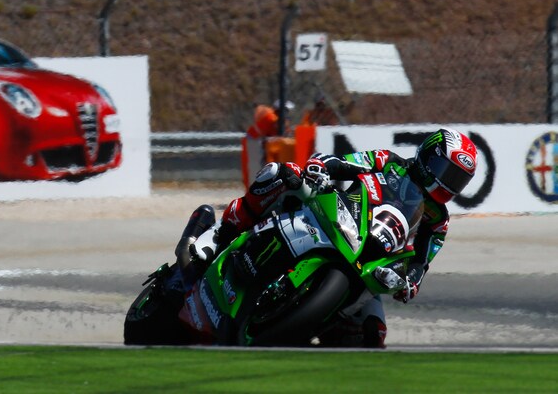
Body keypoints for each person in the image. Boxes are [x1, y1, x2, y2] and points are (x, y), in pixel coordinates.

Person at [190, 128, 478, 348]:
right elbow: (346, 163)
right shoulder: (390, 163)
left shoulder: (438, 220)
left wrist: (409, 283)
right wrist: (323, 167)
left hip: (371, 266)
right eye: (447, 173)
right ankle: (220, 234)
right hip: (341, 220)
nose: (447, 183)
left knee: (373, 335)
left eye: (457, 180)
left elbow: (421, 262)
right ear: (429, 158)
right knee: (281, 174)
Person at [241, 100, 295, 186]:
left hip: (256, 144)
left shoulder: (274, 119)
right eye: (286, 111)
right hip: (253, 145)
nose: (287, 115)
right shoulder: (271, 118)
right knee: (253, 174)